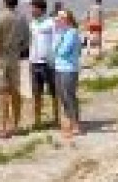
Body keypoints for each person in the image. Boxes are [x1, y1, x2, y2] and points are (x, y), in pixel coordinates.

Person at [0, 0, 29, 138]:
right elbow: (26, 41)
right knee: (15, 91)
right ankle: (16, 125)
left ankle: (4, 127)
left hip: (0, 58)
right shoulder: (22, 18)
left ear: (4, 2)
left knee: (3, 93)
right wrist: (16, 50)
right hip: (14, 58)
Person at [27, 0, 60, 129]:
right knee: (36, 93)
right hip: (34, 63)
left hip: (49, 63)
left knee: (54, 92)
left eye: (33, 8)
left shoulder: (51, 23)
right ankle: (37, 121)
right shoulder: (31, 24)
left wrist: (53, 56)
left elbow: (57, 40)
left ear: (40, 9)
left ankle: (57, 118)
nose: (31, 10)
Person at [52, 9, 82, 139]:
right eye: (57, 18)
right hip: (59, 68)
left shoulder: (72, 32)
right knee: (62, 96)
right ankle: (70, 121)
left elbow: (63, 51)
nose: (57, 20)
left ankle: (75, 125)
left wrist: (58, 44)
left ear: (67, 19)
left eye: (60, 18)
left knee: (69, 96)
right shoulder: (61, 33)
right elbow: (54, 49)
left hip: (69, 69)